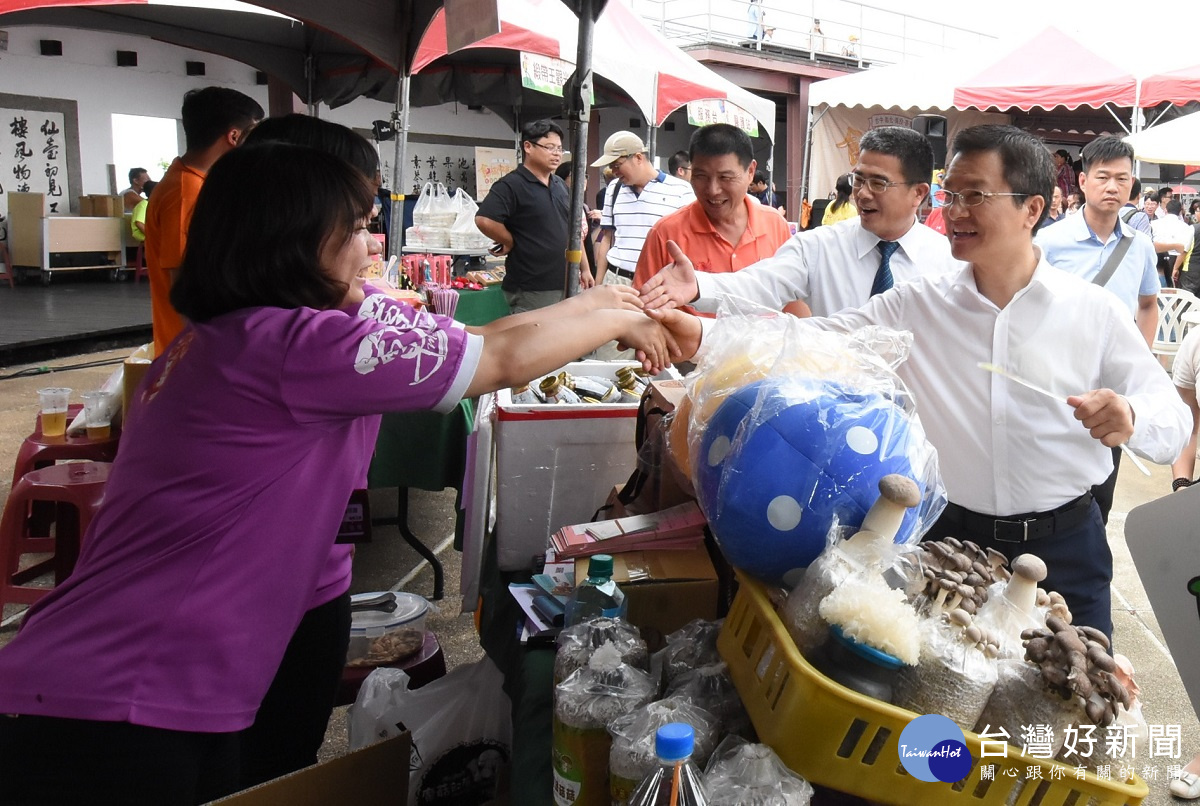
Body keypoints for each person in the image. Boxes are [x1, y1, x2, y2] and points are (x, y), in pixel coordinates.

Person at [0, 142, 680, 805]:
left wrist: (617, 304)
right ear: (290, 238)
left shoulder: (255, 327)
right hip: (124, 695)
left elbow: (491, 340)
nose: (373, 246)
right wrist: (619, 316)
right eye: (355, 228)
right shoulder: (292, 342)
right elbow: (500, 363)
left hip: (155, 680)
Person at [645, 124, 1189, 642]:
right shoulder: (919, 303)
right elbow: (812, 341)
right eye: (950, 196)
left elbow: (1174, 424)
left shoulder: (1092, 313)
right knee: (942, 725)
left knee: (1068, 720)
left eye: (974, 196)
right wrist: (695, 333)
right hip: (948, 550)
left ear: (1033, 208)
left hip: (1065, 553)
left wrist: (1130, 416)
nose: (953, 213)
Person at [640, 126, 963, 318]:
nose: (861, 195)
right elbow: (757, 285)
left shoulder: (949, 263)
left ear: (918, 193)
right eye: (858, 180)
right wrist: (698, 285)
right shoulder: (818, 247)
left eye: (878, 184)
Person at [1034, 134, 1160, 527]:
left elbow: (1148, 305)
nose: (1113, 187)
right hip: (1054, 377)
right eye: (1103, 177)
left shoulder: (1140, 246)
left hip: (1110, 383)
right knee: (1046, 479)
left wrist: (1139, 361)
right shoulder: (1049, 241)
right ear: (1083, 180)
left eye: (1122, 179)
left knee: (1103, 478)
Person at [145, 86, 264, 357]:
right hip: (192, 351)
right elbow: (184, 281)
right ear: (234, 136)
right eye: (255, 133)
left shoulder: (194, 183)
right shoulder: (187, 192)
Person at [631, 123, 790, 297]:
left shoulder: (776, 226)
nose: (713, 189)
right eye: (701, 176)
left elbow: (792, 302)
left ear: (750, 171)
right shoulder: (665, 234)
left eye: (725, 177)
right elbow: (643, 311)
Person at [475, 119, 592, 313]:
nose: (556, 153)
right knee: (539, 340)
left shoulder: (560, 185)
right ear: (528, 147)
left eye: (559, 149)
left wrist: (585, 268)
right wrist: (509, 240)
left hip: (567, 282)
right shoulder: (511, 185)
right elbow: (484, 220)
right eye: (549, 147)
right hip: (532, 288)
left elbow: (573, 230)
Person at [590, 130, 694, 289]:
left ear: (638, 157)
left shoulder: (681, 190)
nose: (614, 172)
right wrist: (598, 284)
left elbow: (690, 241)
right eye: (611, 167)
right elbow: (607, 238)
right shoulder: (614, 188)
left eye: (617, 165)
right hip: (616, 280)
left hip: (657, 283)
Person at [555, 160, 597, 283]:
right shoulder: (560, 204)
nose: (583, 179)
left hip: (581, 273)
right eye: (575, 175)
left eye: (585, 175)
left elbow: (582, 241)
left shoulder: (583, 207)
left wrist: (587, 270)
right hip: (561, 271)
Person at [1153, 199, 1193, 288]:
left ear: (1165, 210)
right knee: (1173, 289)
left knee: (1156, 287)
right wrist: (1176, 267)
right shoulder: (1186, 227)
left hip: (1157, 258)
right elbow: (1184, 250)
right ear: (1180, 212)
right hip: (1175, 259)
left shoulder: (1154, 224)